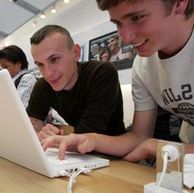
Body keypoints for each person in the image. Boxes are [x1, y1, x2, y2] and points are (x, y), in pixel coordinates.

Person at [42, 0, 194, 161]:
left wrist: (154, 146)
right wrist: (90, 139)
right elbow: (139, 136)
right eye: (117, 23)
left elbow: (146, 143)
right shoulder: (143, 66)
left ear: (179, 3)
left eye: (137, 17)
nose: (126, 38)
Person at [27, 25, 125, 142]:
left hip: (113, 152)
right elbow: (31, 124)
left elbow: (87, 135)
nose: (47, 73)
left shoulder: (100, 73)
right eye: (40, 64)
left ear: (75, 53)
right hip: (75, 153)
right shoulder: (43, 85)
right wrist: (40, 133)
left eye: (54, 59)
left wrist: (58, 138)